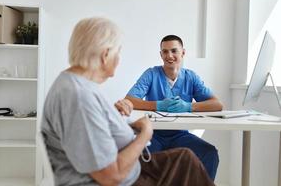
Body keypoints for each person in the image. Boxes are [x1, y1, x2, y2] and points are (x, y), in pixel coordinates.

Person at [41, 18, 215, 186]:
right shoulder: (79, 97)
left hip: (132, 167)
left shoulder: (79, 85)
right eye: (118, 51)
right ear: (105, 55)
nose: (119, 58)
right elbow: (111, 177)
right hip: (124, 178)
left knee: (186, 158)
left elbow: (92, 127)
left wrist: (114, 117)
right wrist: (146, 132)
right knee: (187, 165)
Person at [125, 35, 223, 180]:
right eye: (165, 52)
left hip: (180, 136)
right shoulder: (151, 74)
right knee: (138, 158)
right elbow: (129, 99)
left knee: (209, 153)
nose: (169, 56)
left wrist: (188, 106)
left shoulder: (191, 77)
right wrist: (157, 105)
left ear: (183, 52)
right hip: (153, 135)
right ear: (160, 54)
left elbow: (217, 105)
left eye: (174, 51)